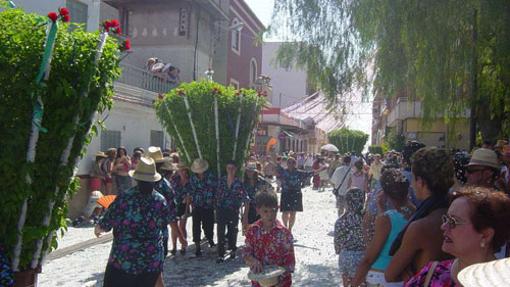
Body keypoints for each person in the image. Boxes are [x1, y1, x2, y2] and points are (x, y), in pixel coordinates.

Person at [404, 186, 510, 286]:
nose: (443, 226)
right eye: (446, 219)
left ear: (486, 235)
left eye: (453, 222)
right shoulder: (432, 274)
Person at [95, 157, 173, 287]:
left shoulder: (125, 198)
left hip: (124, 259)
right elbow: (164, 224)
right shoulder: (160, 201)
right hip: (151, 260)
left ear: (136, 179)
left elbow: (106, 222)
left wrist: (98, 228)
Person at [385, 147, 454, 282]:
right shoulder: (458, 213)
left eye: (413, 178)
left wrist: (407, 270)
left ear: (421, 181)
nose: (411, 184)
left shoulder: (421, 226)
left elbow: (390, 275)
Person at [352, 169, 415, 287]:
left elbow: (369, 258)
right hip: (403, 277)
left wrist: (354, 283)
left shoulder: (386, 219)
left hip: (380, 277)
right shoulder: (416, 215)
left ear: (385, 193)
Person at [243, 191, 295, 287]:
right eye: (265, 211)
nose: (270, 214)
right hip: (259, 281)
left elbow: (290, 261)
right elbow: (246, 253)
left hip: (282, 282)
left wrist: (279, 277)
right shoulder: (252, 231)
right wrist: (253, 261)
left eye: (273, 210)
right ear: (258, 210)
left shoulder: (284, 233)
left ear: (278, 208)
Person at [216, 161, 249, 263]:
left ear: (235, 170)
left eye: (232, 168)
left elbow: (246, 198)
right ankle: (220, 254)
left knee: (232, 231)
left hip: (233, 210)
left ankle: (232, 249)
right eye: (228, 168)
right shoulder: (221, 181)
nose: (230, 170)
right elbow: (217, 195)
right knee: (220, 232)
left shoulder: (238, 183)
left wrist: (245, 216)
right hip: (221, 210)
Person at [334, 188, 366, 287]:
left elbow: (337, 246)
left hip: (346, 256)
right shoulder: (367, 219)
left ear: (346, 202)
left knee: (347, 283)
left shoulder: (341, 221)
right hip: (363, 256)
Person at [276, 157, 313, 232]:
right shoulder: (283, 171)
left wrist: (321, 169)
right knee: (285, 212)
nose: (290, 164)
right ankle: (285, 227)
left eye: (292, 162)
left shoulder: (299, 172)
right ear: (287, 164)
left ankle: (290, 229)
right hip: (286, 193)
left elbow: (310, 173)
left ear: (295, 164)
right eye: (289, 162)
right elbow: (275, 163)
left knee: (293, 213)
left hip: (296, 193)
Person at [189, 158, 217, 256]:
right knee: (196, 226)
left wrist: (212, 200)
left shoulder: (210, 176)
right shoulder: (193, 178)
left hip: (208, 205)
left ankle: (210, 240)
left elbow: (213, 189)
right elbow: (191, 190)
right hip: (196, 205)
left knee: (208, 225)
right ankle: (197, 246)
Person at [169, 162, 192, 255]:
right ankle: (174, 246)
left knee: (182, 226)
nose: (181, 172)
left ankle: (183, 246)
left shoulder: (190, 181)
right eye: (180, 170)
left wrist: (187, 206)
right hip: (174, 205)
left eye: (183, 170)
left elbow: (190, 196)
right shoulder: (174, 179)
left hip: (184, 206)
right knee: (174, 226)